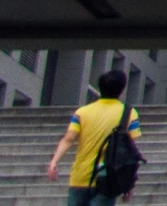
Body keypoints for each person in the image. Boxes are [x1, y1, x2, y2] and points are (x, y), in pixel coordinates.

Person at [44, 69, 141, 205]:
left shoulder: (82, 112)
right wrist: (129, 184)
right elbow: (130, 152)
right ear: (121, 89)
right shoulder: (129, 114)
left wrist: (54, 161)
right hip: (108, 178)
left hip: (80, 177)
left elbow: (69, 139)